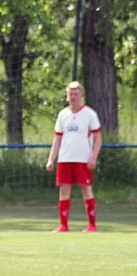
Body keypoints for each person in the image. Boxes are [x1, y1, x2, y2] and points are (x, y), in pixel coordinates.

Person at [46, 81, 101, 233]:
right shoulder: (63, 114)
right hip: (65, 159)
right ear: (67, 97)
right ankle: (63, 225)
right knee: (64, 190)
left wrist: (93, 158)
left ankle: (92, 225)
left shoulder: (90, 114)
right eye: (70, 94)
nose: (73, 97)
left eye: (76, 94)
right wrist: (51, 159)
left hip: (83, 159)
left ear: (81, 95)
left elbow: (98, 138)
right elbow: (57, 139)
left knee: (86, 189)